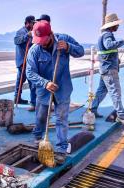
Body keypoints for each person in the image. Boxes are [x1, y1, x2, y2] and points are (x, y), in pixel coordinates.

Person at [26, 20, 84, 160]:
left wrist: (69, 47)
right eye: (38, 40)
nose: (41, 43)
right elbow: (30, 73)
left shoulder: (64, 40)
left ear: (51, 34)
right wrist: (45, 83)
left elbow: (81, 51)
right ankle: (38, 137)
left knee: (61, 118)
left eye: (43, 40)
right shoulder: (34, 50)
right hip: (44, 90)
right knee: (41, 116)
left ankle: (61, 148)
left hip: (63, 88)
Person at [91, 13, 124, 124]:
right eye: (116, 24)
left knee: (102, 90)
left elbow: (106, 52)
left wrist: (115, 60)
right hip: (109, 69)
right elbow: (109, 45)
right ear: (111, 25)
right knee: (115, 91)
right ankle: (121, 115)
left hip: (105, 68)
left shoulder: (103, 35)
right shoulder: (107, 35)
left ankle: (92, 110)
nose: (118, 26)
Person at [14, 15, 36, 111]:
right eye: (32, 23)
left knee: (31, 82)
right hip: (22, 61)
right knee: (21, 81)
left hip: (29, 62)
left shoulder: (32, 32)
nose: (33, 24)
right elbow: (16, 41)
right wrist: (27, 35)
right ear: (27, 23)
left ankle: (32, 101)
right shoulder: (21, 31)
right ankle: (18, 98)